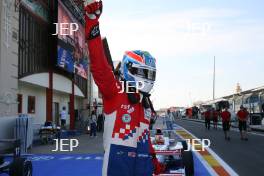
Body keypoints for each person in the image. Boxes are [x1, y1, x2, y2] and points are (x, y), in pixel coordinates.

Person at [84, 2, 164, 175]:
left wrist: (154, 162)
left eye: (150, 73)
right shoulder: (115, 90)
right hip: (117, 165)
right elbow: (99, 64)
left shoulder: (145, 104)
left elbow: (145, 138)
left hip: (143, 165)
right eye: (142, 72)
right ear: (129, 69)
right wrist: (92, 22)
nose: (147, 78)